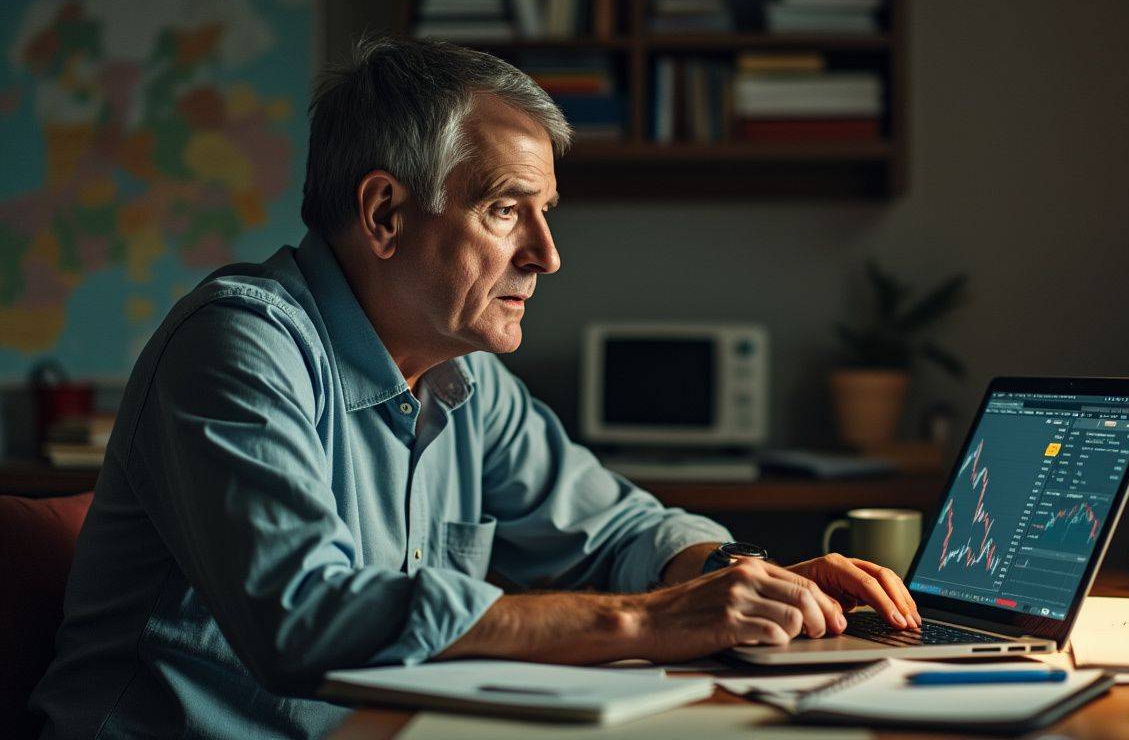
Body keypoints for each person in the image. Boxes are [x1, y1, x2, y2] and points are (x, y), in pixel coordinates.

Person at [32, 37, 920, 739]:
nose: (547, 254)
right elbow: (304, 617)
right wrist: (648, 622)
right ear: (384, 215)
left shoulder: (466, 381)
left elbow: (618, 530)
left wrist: (734, 577)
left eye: (546, 213)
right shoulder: (238, 344)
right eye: (504, 210)